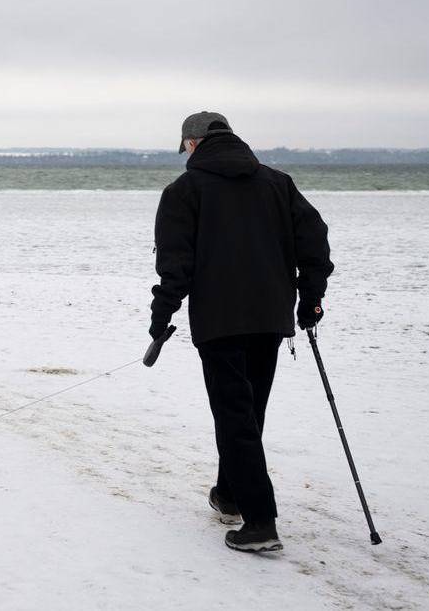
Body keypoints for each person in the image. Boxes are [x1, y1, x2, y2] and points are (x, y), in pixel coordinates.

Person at [148, 110, 333, 553]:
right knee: (246, 414)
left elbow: (175, 264)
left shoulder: (184, 191)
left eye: (185, 148)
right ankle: (229, 495)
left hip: (219, 321)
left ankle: (261, 522)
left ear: (193, 144)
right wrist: (310, 298)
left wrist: (161, 315)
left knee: (235, 417)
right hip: (270, 318)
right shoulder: (276, 182)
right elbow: (315, 242)